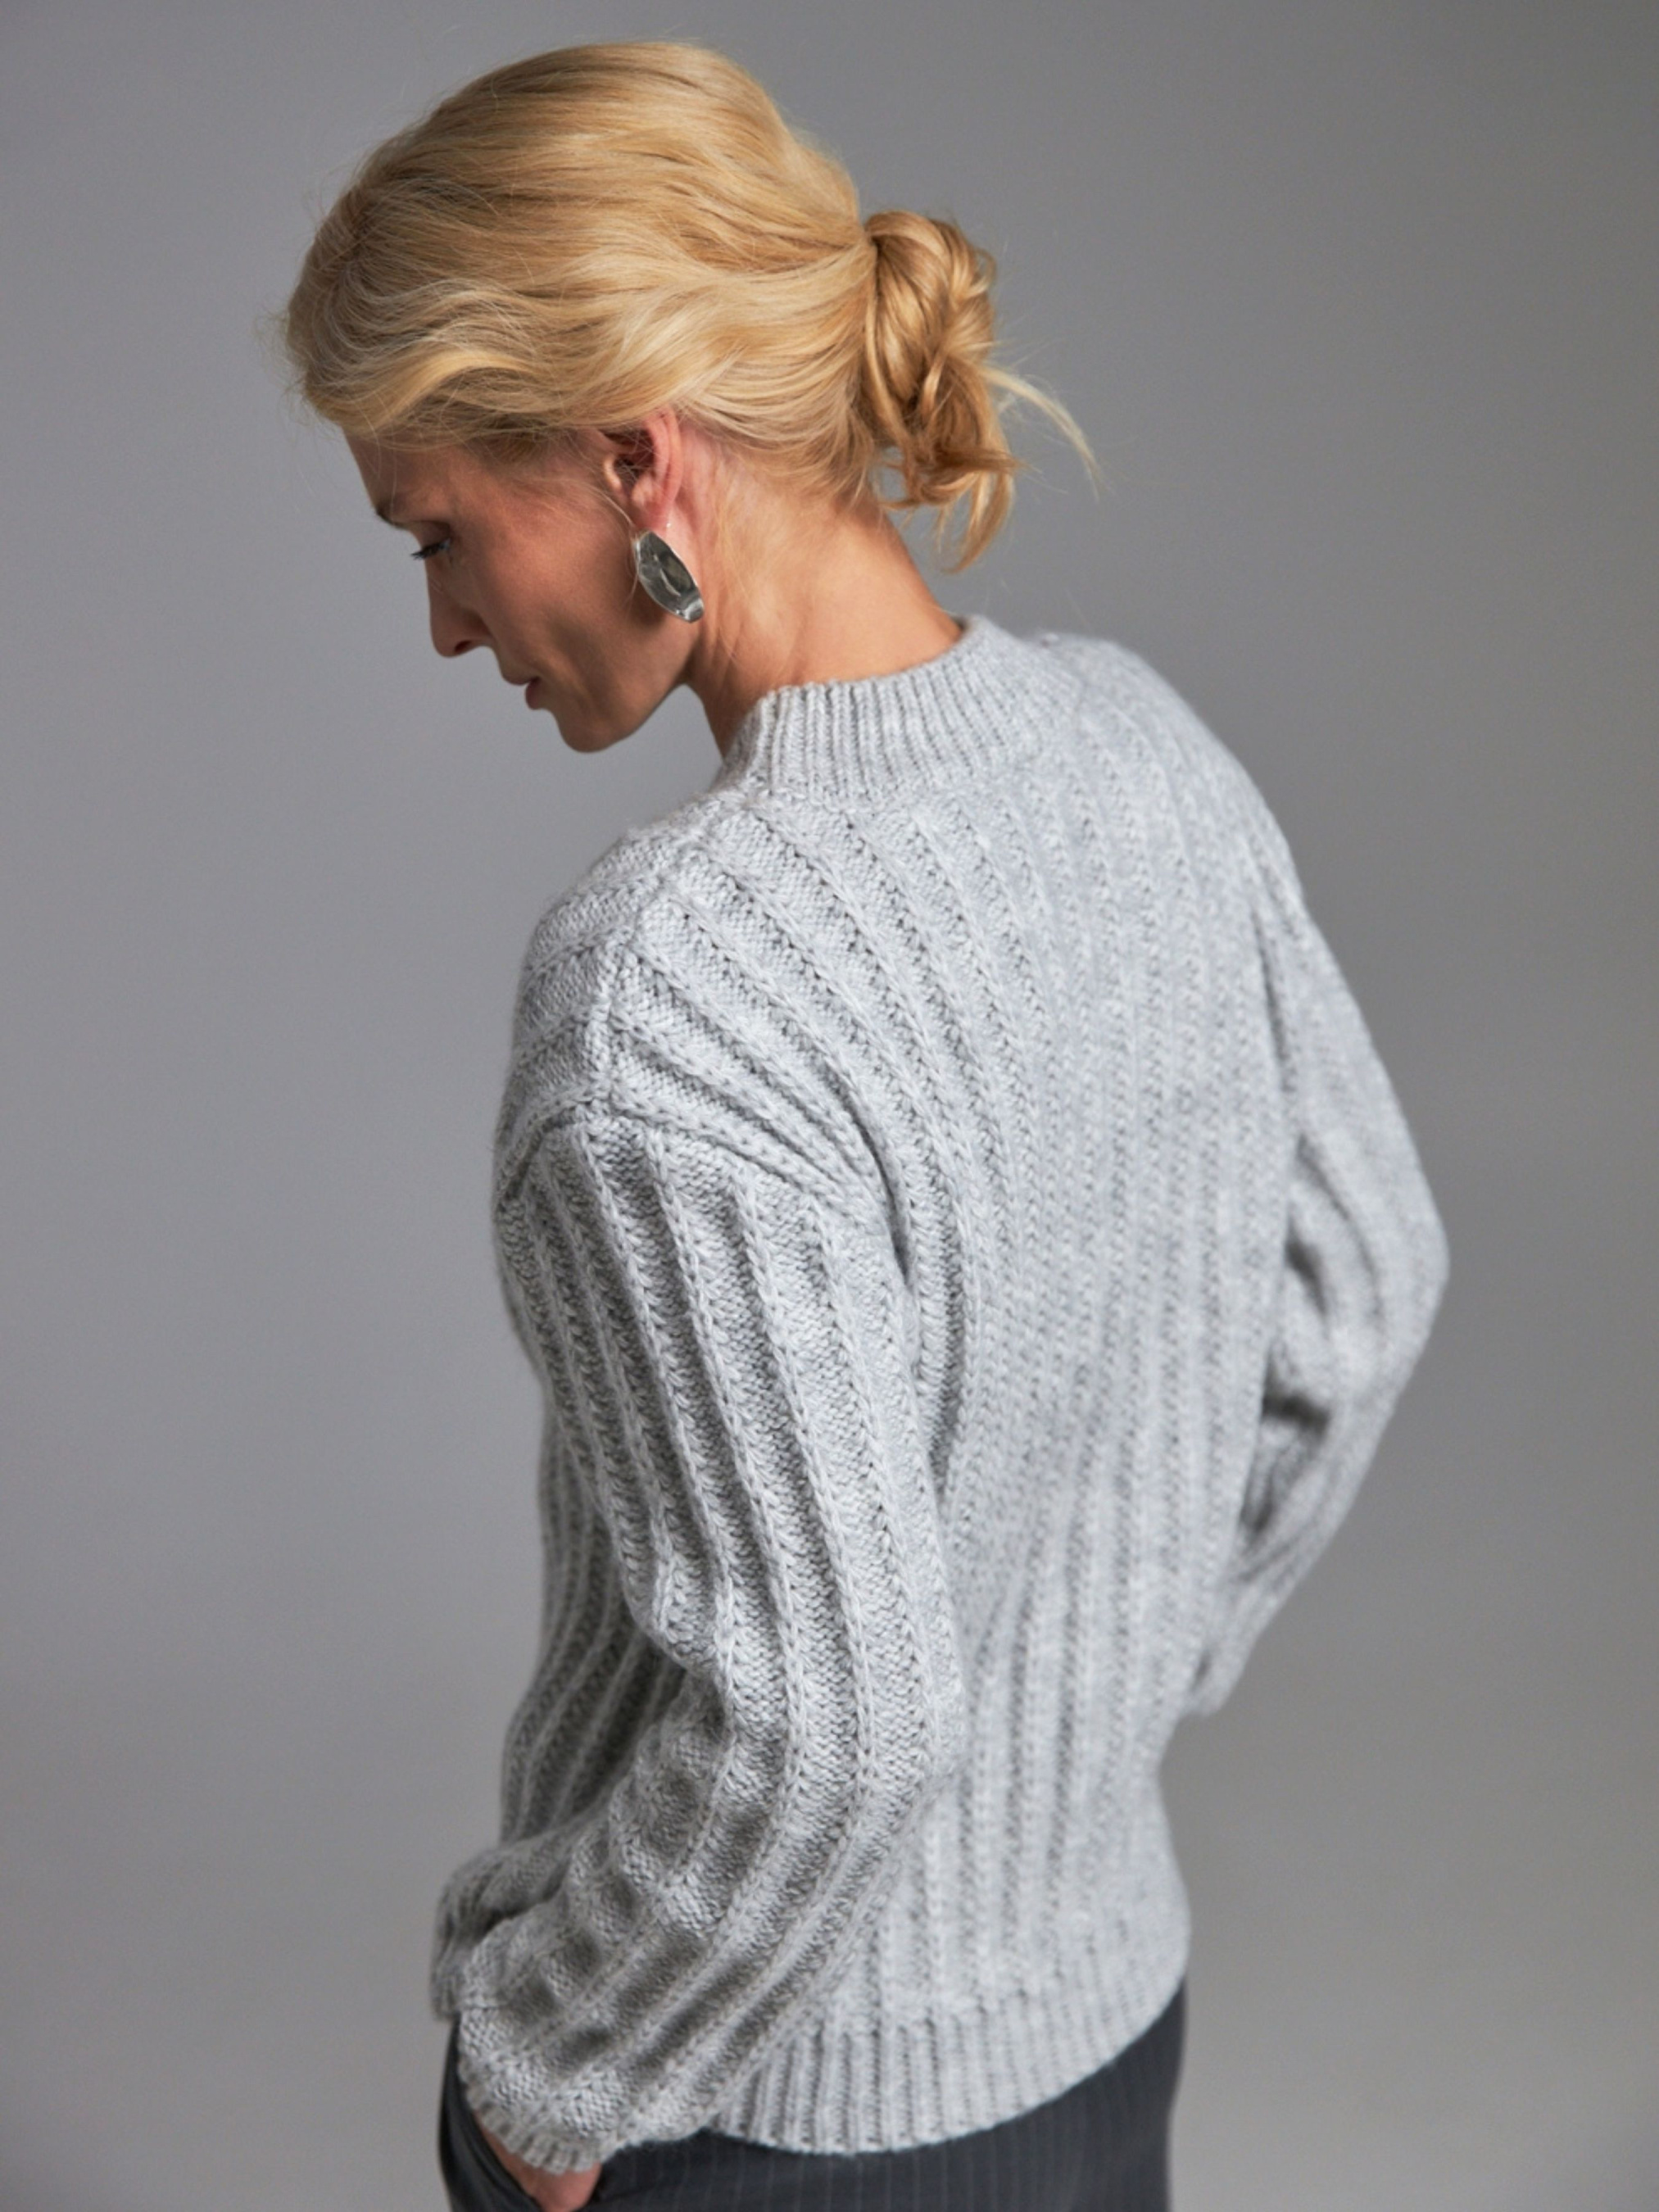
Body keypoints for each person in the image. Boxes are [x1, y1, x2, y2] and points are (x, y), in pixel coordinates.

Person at [279, 40, 1448, 2212]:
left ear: (636, 456)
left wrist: (544, 2083)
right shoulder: (1150, 754)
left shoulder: (669, 991)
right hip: (1106, 2016)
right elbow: (1364, 1292)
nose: (442, 623)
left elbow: (824, 1723)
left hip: (764, 2121)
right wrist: (1101, 1685)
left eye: (440, 534)